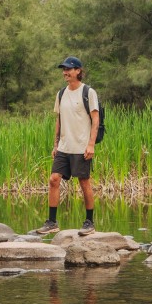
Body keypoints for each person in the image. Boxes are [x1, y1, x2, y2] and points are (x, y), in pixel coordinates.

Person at [36, 56, 99, 237]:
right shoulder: (61, 94)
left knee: (84, 181)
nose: (65, 72)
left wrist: (91, 145)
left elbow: (96, 120)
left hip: (81, 147)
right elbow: (59, 120)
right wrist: (55, 144)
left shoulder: (88, 92)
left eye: (69, 69)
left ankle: (89, 222)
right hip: (64, 147)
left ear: (78, 71)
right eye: (64, 69)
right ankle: (52, 222)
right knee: (54, 179)